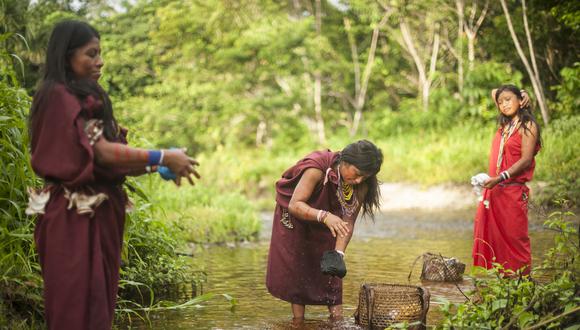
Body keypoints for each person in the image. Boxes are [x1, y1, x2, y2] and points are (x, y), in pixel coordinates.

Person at [26, 20, 200, 329]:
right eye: (91, 54)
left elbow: (106, 165)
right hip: (71, 218)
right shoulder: (58, 97)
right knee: (73, 307)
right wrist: (163, 155)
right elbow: (102, 152)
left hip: (99, 215)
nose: (100, 61)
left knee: (97, 307)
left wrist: (156, 167)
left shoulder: (86, 98)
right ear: (67, 56)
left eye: (100, 53)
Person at [266, 140, 383, 322]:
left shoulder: (361, 185)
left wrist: (339, 253)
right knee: (300, 264)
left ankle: (337, 320)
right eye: (358, 174)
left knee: (332, 269)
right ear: (345, 161)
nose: (359, 180)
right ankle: (299, 322)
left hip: (328, 216)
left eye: (365, 177)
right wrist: (324, 216)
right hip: (295, 216)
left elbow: (348, 221)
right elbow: (295, 205)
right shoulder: (317, 169)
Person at [472, 85, 541, 276]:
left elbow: (526, 160)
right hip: (494, 191)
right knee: (497, 241)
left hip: (512, 191)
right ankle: (506, 286)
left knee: (516, 239)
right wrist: (518, 95)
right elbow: (494, 91)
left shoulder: (528, 125)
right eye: (501, 102)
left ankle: (523, 284)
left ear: (520, 101)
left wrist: (524, 94)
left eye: (509, 100)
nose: (503, 104)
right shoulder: (506, 125)